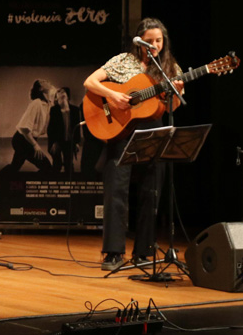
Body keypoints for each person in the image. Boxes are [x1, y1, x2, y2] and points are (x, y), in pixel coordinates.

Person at [84, 17, 183, 271]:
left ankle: (144, 252)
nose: (155, 46)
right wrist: (113, 95)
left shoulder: (169, 68)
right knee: (116, 190)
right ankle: (113, 253)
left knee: (152, 191)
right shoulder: (123, 61)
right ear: (139, 42)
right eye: (149, 41)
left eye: (158, 41)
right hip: (121, 131)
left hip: (153, 131)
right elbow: (90, 82)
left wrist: (176, 93)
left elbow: (170, 108)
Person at [0, 79, 55, 173]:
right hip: (22, 140)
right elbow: (24, 127)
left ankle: (1, 177)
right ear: (41, 88)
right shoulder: (36, 103)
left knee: (14, 167)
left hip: (27, 140)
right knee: (46, 167)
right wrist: (35, 145)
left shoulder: (47, 104)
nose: (47, 81)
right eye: (43, 82)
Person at [47, 86, 81, 173]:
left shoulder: (75, 110)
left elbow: (77, 127)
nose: (62, 93)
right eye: (59, 92)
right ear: (56, 98)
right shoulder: (54, 110)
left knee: (69, 164)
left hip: (69, 141)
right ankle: (56, 180)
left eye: (63, 92)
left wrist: (76, 142)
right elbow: (51, 128)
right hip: (57, 141)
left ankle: (69, 181)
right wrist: (54, 142)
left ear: (67, 96)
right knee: (56, 164)